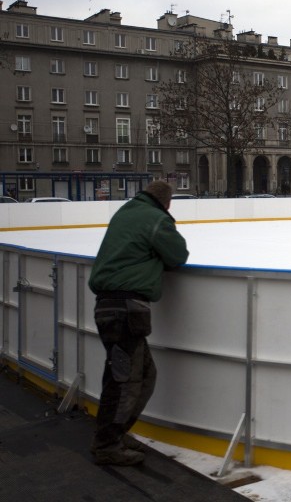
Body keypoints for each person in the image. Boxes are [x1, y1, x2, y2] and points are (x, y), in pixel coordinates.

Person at [88, 180, 189, 466]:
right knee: (126, 380)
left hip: (111, 307)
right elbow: (178, 255)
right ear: (167, 203)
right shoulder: (156, 220)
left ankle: (115, 434)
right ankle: (106, 445)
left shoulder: (126, 212)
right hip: (126, 310)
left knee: (142, 375)